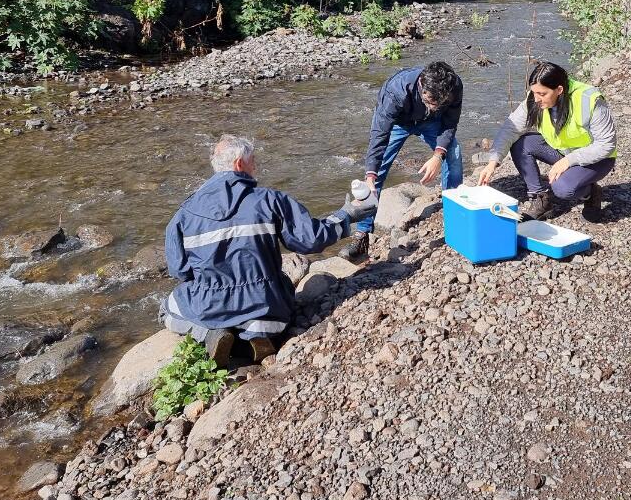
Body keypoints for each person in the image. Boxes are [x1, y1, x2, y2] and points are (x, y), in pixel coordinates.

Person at [161, 134, 376, 366]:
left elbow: (180, 271)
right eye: (254, 160)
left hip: (211, 306)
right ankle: (255, 333)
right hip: (268, 306)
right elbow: (310, 240)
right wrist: (346, 215)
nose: (256, 166)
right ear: (238, 164)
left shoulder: (184, 213)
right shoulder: (270, 200)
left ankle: (209, 334)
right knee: (269, 302)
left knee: (167, 307)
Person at [340, 62, 464, 261]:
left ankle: (456, 216)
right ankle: (362, 235)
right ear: (421, 84)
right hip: (400, 122)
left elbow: (450, 124)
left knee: (454, 154)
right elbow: (379, 134)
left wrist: (437, 155)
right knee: (375, 174)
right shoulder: (395, 91)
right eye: (431, 101)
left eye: (440, 103)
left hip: (433, 125)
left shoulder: (453, 86)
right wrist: (370, 174)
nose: (435, 107)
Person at [478, 60, 616, 221]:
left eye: (542, 94)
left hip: (596, 159)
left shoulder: (589, 100)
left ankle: (590, 193)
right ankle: (540, 199)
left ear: (559, 90)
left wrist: (569, 161)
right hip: (563, 152)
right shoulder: (535, 97)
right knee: (520, 144)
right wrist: (492, 162)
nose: (536, 99)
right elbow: (511, 128)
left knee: (563, 189)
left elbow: (606, 144)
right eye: (534, 93)